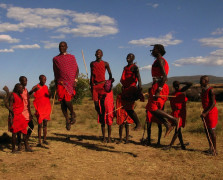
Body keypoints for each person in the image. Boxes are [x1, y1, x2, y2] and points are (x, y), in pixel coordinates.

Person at [146, 44, 179, 137]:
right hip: (157, 85)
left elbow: (164, 76)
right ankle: (167, 124)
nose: (152, 51)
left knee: (152, 108)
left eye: (154, 49)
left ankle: (173, 120)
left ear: (159, 50)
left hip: (160, 86)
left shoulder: (160, 60)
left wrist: (158, 90)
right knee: (150, 108)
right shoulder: (158, 60)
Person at [53, 41, 79, 130]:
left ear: (67, 47)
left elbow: (77, 69)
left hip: (70, 82)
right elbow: (55, 71)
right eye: (60, 46)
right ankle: (67, 119)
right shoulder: (55, 59)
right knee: (62, 102)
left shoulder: (71, 57)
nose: (61, 47)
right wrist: (56, 83)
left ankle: (72, 113)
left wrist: (75, 80)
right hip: (60, 82)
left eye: (63, 46)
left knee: (67, 100)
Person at [90, 49, 114, 142]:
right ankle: (100, 115)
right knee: (96, 105)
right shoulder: (92, 63)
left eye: (100, 53)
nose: (98, 54)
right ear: (95, 54)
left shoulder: (106, 63)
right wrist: (90, 85)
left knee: (103, 105)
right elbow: (91, 75)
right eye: (97, 52)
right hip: (95, 86)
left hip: (102, 85)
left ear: (102, 54)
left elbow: (110, 74)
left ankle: (102, 116)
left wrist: (110, 82)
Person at [120, 53, 144, 131]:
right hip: (126, 89)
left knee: (129, 107)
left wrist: (139, 87)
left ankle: (138, 124)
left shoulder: (134, 67)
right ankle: (137, 123)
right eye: (127, 56)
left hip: (131, 89)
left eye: (130, 57)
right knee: (127, 108)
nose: (128, 58)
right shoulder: (125, 67)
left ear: (133, 58)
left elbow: (139, 78)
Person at [167, 81, 192, 150]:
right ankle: (182, 145)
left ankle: (170, 145)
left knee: (177, 129)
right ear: (173, 87)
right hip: (175, 113)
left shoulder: (182, 91)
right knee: (179, 130)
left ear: (179, 86)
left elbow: (190, 83)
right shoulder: (172, 94)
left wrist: (181, 82)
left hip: (181, 113)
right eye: (175, 86)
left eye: (178, 86)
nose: (177, 87)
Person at [8, 83, 32, 153]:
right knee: (14, 133)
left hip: (20, 116)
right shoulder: (13, 96)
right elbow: (10, 107)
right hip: (14, 116)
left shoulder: (20, 95)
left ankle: (26, 147)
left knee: (24, 131)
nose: (22, 89)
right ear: (18, 88)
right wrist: (11, 118)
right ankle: (13, 149)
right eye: (21, 88)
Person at [29, 75, 51, 147]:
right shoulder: (36, 87)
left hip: (46, 107)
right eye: (43, 79)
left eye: (45, 80)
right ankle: (39, 141)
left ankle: (44, 140)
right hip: (39, 108)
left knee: (45, 124)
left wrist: (50, 93)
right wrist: (33, 90)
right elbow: (29, 94)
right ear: (39, 79)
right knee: (40, 125)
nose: (44, 81)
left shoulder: (46, 87)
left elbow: (48, 97)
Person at [200, 75, 218, 155]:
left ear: (206, 81)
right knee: (206, 130)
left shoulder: (211, 90)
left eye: (202, 80)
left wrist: (206, 112)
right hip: (205, 112)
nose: (200, 81)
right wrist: (204, 112)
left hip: (211, 112)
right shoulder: (203, 90)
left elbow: (213, 103)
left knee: (211, 131)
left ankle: (214, 150)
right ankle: (210, 148)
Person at [19, 76, 34, 142]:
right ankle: (20, 142)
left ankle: (25, 139)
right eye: (24, 81)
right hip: (21, 112)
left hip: (27, 111)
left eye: (26, 80)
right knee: (22, 128)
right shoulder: (19, 90)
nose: (25, 82)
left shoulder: (26, 90)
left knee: (31, 126)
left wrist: (32, 91)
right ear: (20, 81)